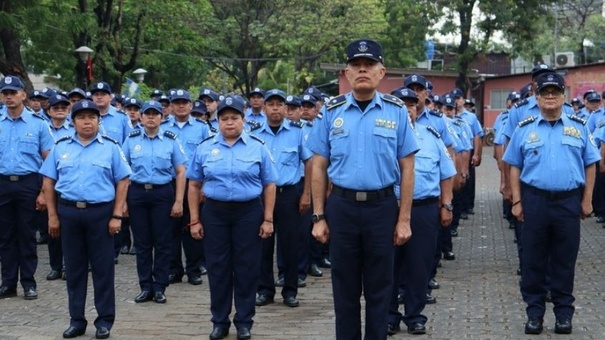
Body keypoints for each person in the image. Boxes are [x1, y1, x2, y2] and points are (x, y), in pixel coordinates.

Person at [307, 39, 419, 340]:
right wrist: (318, 216)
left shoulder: (396, 111)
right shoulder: (331, 111)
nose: (362, 70)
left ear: (381, 72)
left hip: (381, 208)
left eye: (369, 65)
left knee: (380, 290)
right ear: (346, 72)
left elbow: (408, 167)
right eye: (356, 66)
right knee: (344, 290)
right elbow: (318, 165)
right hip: (341, 208)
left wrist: (404, 218)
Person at [502, 73, 600, 335]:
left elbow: (591, 163)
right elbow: (514, 166)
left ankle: (563, 315)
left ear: (563, 97)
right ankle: (534, 313)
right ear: (537, 97)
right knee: (533, 259)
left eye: (555, 92)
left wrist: (587, 199)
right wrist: (517, 200)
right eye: (545, 92)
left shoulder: (579, 126)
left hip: (568, 202)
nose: (550, 97)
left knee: (564, 261)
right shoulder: (525, 127)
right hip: (534, 200)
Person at [187, 96, 277, 340]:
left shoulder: (257, 146)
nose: (229, 123)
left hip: (248, 212)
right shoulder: (205, 147)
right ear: (217, 121)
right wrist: (194, 220)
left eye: (234, 118)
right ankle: (219, 321)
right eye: (224, 118)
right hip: (215, 213)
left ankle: (244, 321)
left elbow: (269, 184)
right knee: (218, 268)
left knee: (247, 268)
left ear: (243, 120)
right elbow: (194, 184)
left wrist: (268, 219)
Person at [40, 99, 131, 339]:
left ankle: (104, 321)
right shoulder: (60, 146)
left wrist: (116, 215)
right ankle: (76, 320)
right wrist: (53, 216)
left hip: (101, 213)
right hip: (68, 213)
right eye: (81, 117)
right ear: (73, 121)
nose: (87, 121)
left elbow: (123, 180)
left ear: (99, 121)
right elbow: (48, 182)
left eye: (92, 117)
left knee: (103, 270)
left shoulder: (110, 147)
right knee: (74, 269)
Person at [387, 87, 456, 336]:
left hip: (424, 209)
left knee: (419, 265)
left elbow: (446, 173)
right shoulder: (382, 135)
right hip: (388, 209)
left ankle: (415, 316)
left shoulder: (430, 135)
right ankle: (389, 316)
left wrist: (447, 204)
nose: (407, 108)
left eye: (411, 104)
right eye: (401, 104)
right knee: (388, 266)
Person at [122, 100, 187, 304]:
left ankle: (160, 287)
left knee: (162, 242)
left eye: (155, 114)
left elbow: (181, 171)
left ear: (162, 117)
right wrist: (122, 202)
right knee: (142, 243)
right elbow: (123, 173)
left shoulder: (170, 139)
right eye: (147, 114)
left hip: (162, 194)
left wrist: (178, 201)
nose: (151, 117)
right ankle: (145, 286)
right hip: (138, 194)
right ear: (140, 117)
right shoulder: (131, 139)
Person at [253, 89, 312, 308]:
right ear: (264, 108)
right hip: (261, 196)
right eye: (271, 104)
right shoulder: (255, 133)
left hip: (289, 194)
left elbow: (309, 162)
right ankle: (265, 290)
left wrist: (306, 194)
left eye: (280, 104)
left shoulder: (297, 132)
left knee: (290, 245)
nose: (275, 108)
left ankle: (290, 291)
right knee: (263, 244)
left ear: (286, 109)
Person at [0, 76, 54, 300]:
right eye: (5, 93)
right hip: (2, 183)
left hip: (29, 183)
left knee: (27, 235)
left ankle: (28, 283)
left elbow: (49, 159)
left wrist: (43, 191)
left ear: (23, 94)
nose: (9, 97)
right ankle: (8, 283)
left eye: (14, 92)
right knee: (5, 236)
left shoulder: (38, 124)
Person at [163, 89, 210, 285]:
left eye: (185, 102)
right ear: (171, 106)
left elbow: (209, 155)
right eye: (177, 102)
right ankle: (174, 269)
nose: (181, 106)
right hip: (169, 182)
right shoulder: (164, 126)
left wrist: (205, 185)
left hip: (194, 183)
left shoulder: (201, 128)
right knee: (170, 229)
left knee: (193, 224)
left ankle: (194, 269)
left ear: (191, 106)